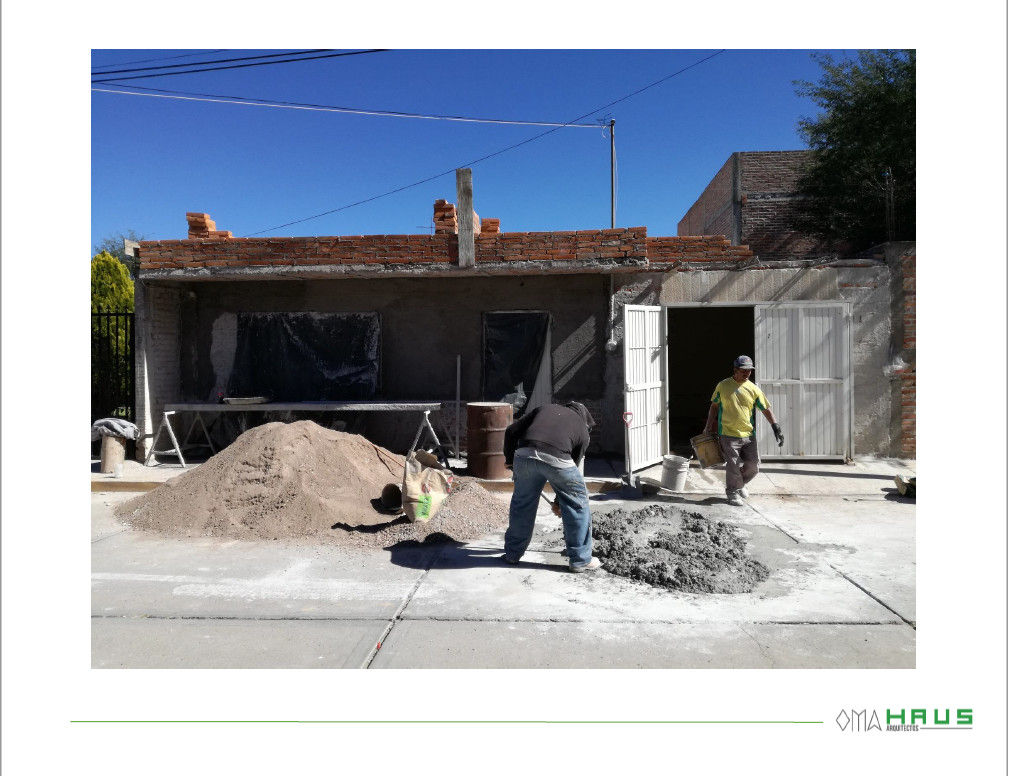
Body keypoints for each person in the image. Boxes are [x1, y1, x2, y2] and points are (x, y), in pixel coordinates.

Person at [501, 401, 601, 573]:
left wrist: (510, 460)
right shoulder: (583, 432)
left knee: (522, 503)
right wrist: (560, 501)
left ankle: (512, 554)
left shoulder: (544, 408)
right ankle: (580, 559)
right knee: (577, 503)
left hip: (524, 455)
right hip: (557, 457)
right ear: (585, 420)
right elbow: (569, 473)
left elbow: (511, 431)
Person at [704, 355, 784, 506]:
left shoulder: (753, 388)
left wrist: (776, 427)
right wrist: (708, 426)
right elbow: (714, 406)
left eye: (749, 371)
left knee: (754, 466)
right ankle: (732, 492)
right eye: (743, 370)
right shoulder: (723, 385)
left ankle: (739, 483)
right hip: (727, 434)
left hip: (748, 435)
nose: (747, 373)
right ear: (735, 370)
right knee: (733, 465)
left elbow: (765, 408)